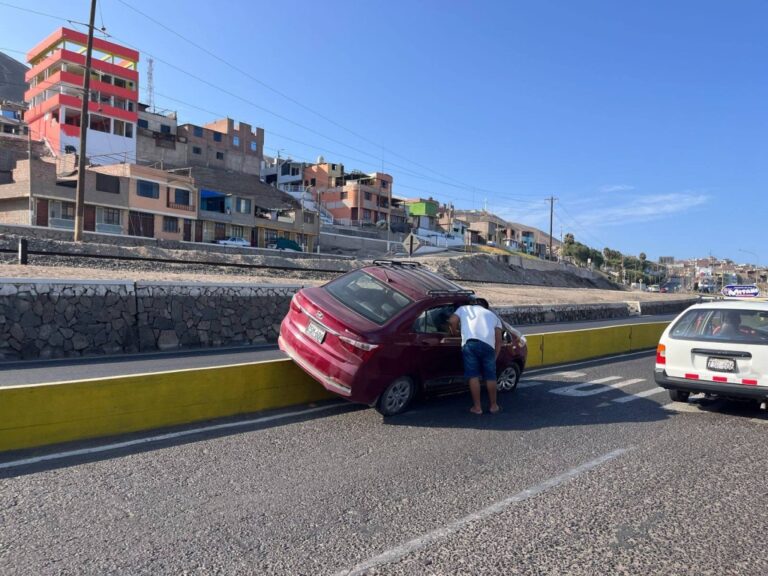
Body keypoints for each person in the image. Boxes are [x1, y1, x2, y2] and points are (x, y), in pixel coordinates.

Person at [448, 299, 503, 415]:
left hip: (470, 344)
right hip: (489, 347)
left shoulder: (464, 309)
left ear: (474, 304)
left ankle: (477, 408)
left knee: (473, 375)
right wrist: (495, 357)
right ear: (485, 307)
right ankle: (493, 406)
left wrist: (454, 332)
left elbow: (452, 320)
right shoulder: (494, 316)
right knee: (490, 376)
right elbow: (499, 341)